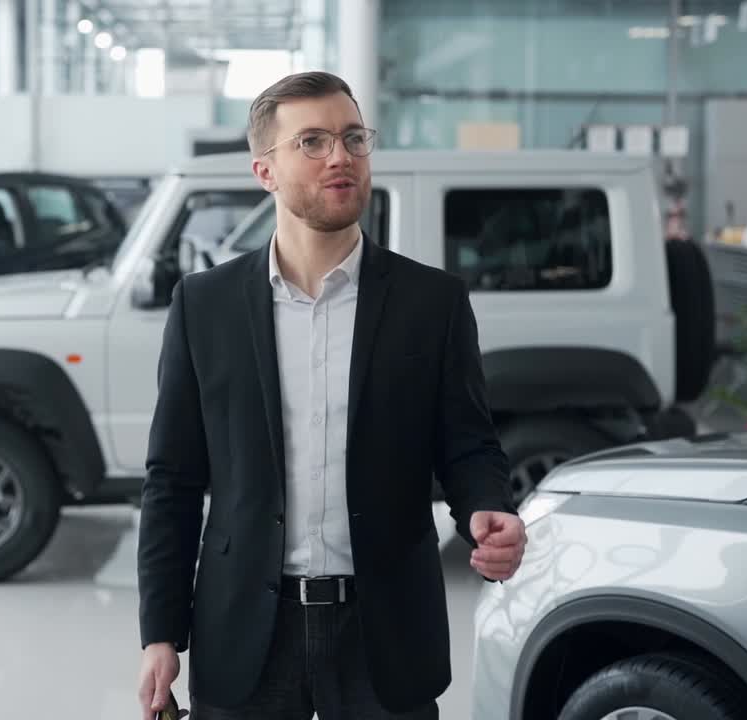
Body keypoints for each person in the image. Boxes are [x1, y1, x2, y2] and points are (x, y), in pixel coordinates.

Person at [135, 71, 528, 720]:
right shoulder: (204, 307)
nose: (340, 156)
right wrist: (160, 634)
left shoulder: (432, 304)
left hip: (385, 633)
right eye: (312, 142)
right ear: (265, 171)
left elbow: (467, 443)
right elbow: (172, 481)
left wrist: (487, 505)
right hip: (246, 631)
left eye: (352, 138)